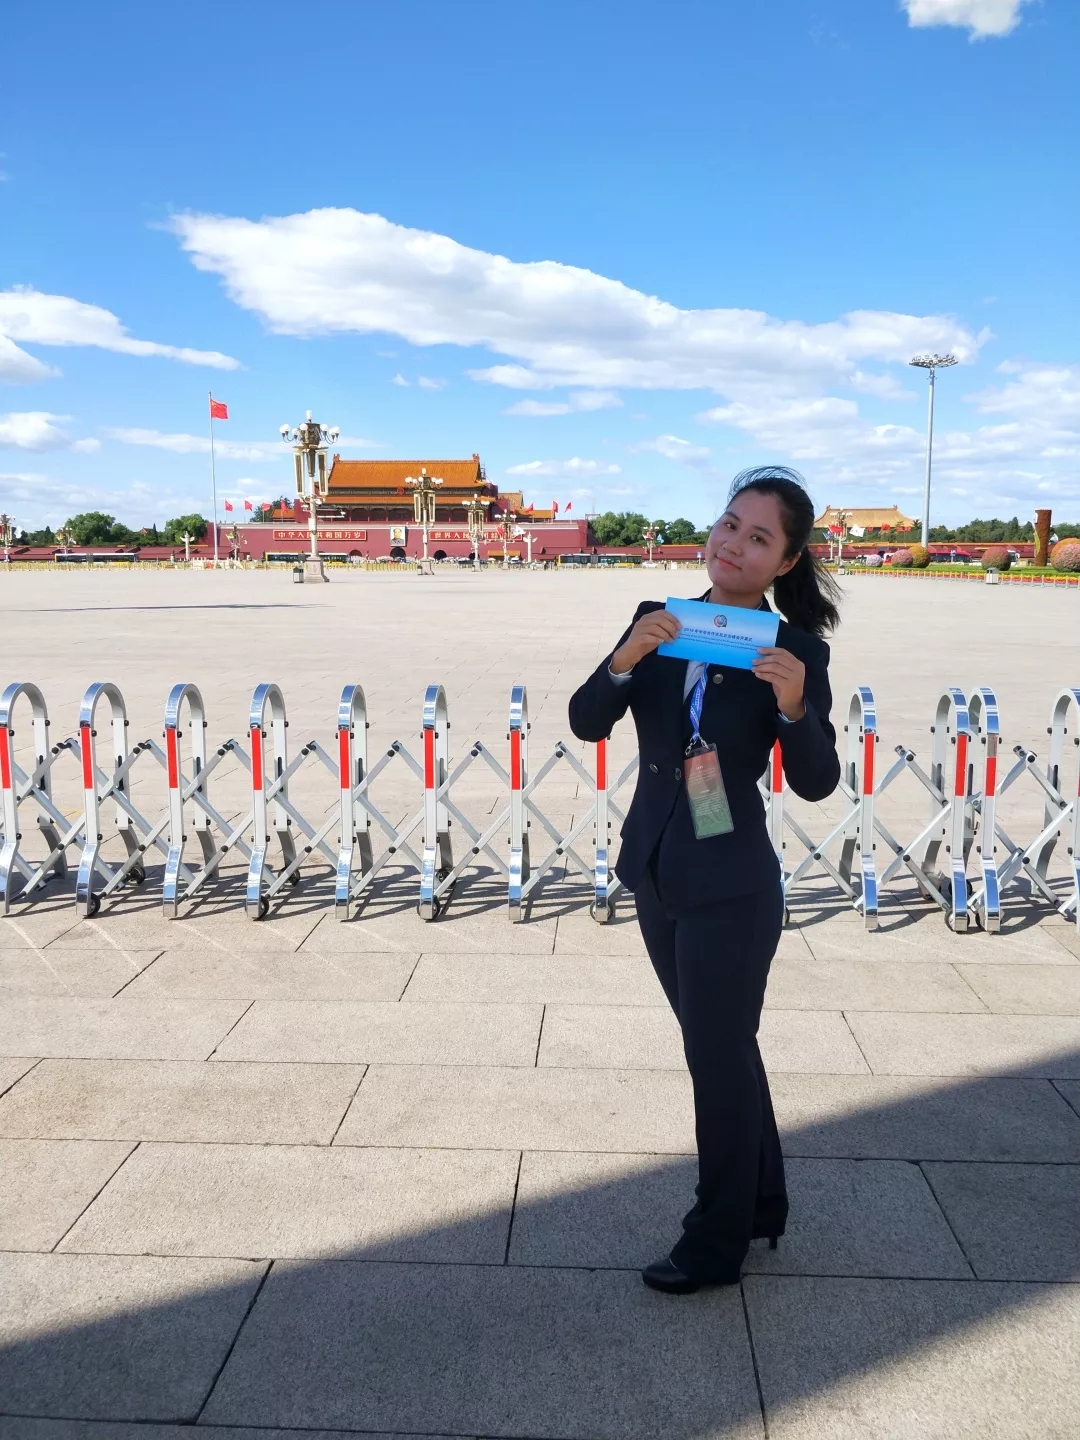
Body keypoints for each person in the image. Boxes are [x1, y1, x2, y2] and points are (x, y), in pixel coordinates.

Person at [568, 466, 842, 1294]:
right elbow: (586, 719)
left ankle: (715, 1243)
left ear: (785, 562)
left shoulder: (794, 652)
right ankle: (761, 1202)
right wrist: (626, 658)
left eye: (760, 538)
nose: (734, 545)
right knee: (723, 1047)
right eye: (729, 524)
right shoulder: (661, 620)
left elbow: (817, 781)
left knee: (714, 1059)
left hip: (731, 884)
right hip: (656, 868)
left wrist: (794, 708)